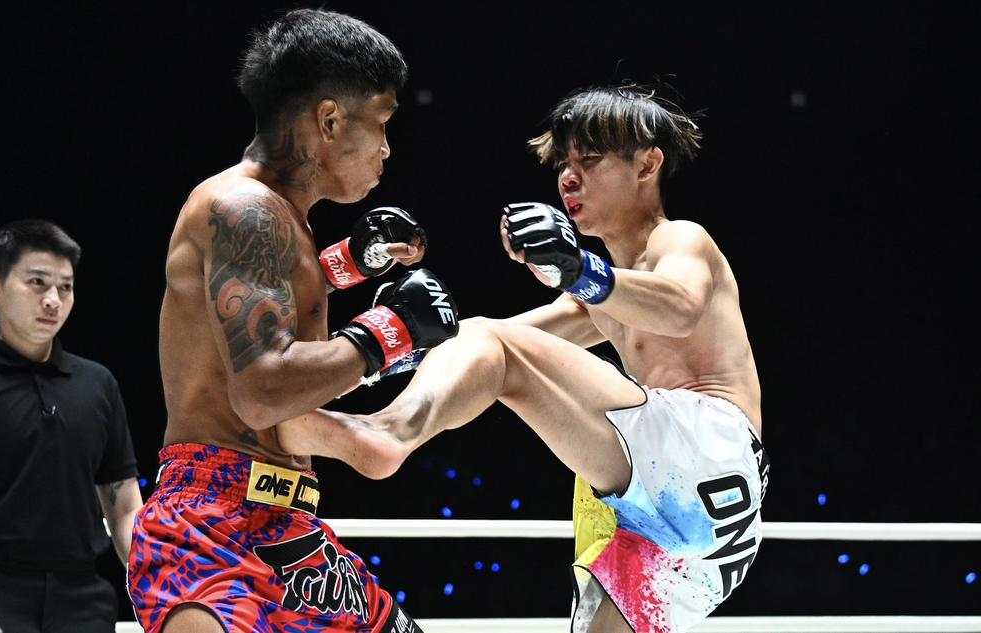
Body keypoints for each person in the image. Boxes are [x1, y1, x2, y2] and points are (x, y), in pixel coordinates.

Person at [280, 84, 771, 633]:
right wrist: (377, 357)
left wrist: (581, 270)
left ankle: (389, 432)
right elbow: (480, 345)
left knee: (495, 344)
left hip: (710, 454)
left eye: (589, 159)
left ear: (647, 164)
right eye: (563, 164)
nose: (568, 178)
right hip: (692, 517)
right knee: (487, 342)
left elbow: (679, 307)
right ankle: (369, 419)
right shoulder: (602, 296)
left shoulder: (680, 240)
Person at [127, 9, 459, 633]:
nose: (387, 148)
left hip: (288, 526)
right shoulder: (243, 208)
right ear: (329, 121)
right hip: (212, 526)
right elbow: (262, 389)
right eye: (382, 123)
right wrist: (392, 330)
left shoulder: (277, 217)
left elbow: (268, 302)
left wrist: (353, 262)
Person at [0, 219, 142, 633]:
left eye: (65, 287)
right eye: (37, 282)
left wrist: (152, 583)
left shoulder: (97, 384)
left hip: (83, 598)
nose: (53, 300)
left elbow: (124, 504)